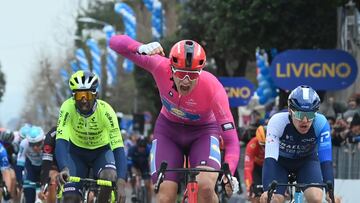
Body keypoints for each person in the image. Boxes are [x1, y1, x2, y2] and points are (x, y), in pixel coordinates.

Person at [110, 35, 240, 203]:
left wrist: (229, 171)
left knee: (206, 188)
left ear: (201, 72)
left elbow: (231, 140)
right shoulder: (159, 65)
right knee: (165, 197)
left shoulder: (213, 88)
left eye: (192, 76)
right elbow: (114, 42)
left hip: (203, 133)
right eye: (180, 74)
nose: (186, 81)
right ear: (171, 68)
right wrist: (140, 48)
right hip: (168, 132)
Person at [55, 70, 126, 203]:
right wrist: (64, 167)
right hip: (76, 154)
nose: (83, 100)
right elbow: (61, 140)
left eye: (87, 95)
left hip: (101, 152)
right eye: (79, 95)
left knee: (109, 177)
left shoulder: (107, 111)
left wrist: (121, 181)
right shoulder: (67, 107)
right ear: (73, 96)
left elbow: (118, 147)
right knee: (70, 198)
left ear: (96, 95)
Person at [260, 85, 334, 203]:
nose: (305, 120)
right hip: (280, 163)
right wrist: (267, 190)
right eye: (299, 114)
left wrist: (331, 192)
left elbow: (326, 161)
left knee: (315, 198)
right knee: (273, 200)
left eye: (310, 115)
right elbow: (270, 158)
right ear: (290, 111)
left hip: (307, 162)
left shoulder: (321, 123)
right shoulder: (277, 121)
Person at [15, 125, 45, 203]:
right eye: (32, 144)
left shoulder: (47, 142)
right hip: (31, 168)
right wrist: (19, 180)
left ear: (42, 140)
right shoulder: (24, 143)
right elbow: (19, 164)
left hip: (44, 167)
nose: (35, 147)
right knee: (29, 194)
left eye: (38, 144)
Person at [244, 125, 266, 203]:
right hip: (257, 168)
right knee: (256, 196)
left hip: (269, 167)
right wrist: (249, 186)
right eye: (263, 145)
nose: (265, 148)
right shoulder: (252, 145)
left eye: (267, 145)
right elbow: (247, 168)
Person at [127, 136, 152, 202]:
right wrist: (133, 173)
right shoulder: (132, 149)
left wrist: (151, 171)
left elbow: (151, 160)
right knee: (134, 176)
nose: (142, 148)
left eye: (143, 147)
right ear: (137, 145)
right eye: (140, 146)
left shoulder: (149, 149)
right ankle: (134, 191)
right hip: (134, 166)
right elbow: (129, 162)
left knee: (148, 185)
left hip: (145, 167)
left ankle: (149, 201)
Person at [38, 126, 59, 203]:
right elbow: (46, 162)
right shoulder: (52, 134)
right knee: (52, 178)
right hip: (55, 163)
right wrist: (44, 184)